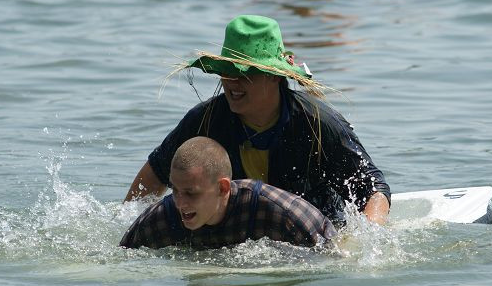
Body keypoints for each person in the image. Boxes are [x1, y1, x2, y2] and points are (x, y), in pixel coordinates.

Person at [124, 14, 390, 225]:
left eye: (245, 73)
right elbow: (157, 173)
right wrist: (127, 224)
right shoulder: (204, 121)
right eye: (227, 72)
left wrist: (358, 246)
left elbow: (373, 190)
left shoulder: (319, 124)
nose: (232, 83)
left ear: (275, 75)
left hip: (312, 239)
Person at [120, 137, 335, 249]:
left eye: (191, 193)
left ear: (223, 188)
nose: (180, 203)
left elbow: (334, 257)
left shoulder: (283, 214)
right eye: (175, 191)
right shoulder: (160, 220)